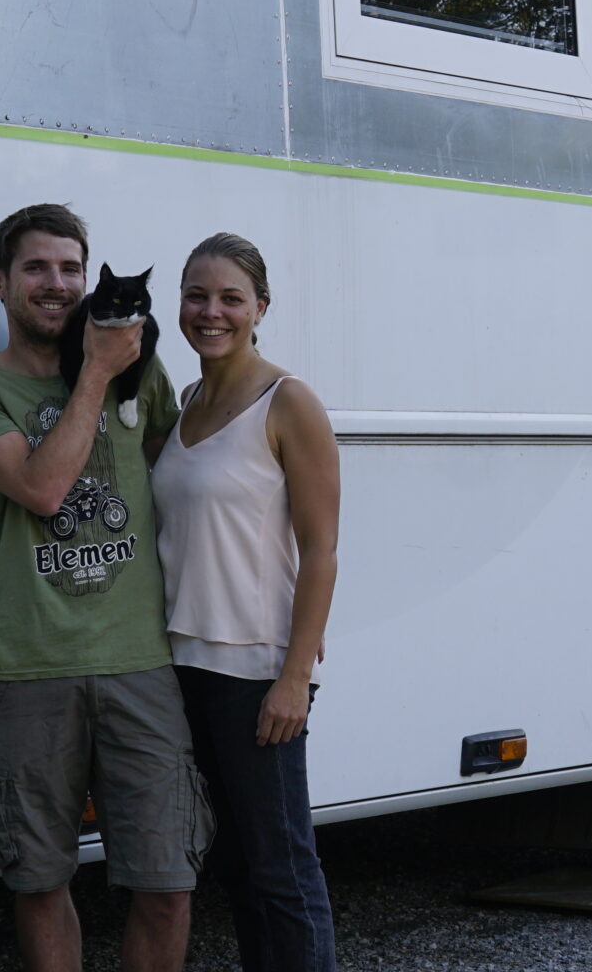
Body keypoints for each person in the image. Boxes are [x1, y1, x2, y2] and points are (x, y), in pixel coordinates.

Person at [0, 203, 208, 972]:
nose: (58, 284)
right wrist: (96, 374)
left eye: (71, 269)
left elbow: (179, 484)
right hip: (26, 672)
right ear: (0, 282)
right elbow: (43, 489)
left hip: (140, 663)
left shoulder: (141, 373)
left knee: (167, 884)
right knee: (42, 882)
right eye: (37, 269)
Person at [154, 232, 341, 972]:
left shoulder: (288, 400)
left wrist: (294, 676)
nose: (211, 311)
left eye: (231, 297)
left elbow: (322, 548)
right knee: (233, 864)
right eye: (196, 295)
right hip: (181, 665)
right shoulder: (190, 399)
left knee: (283, 869)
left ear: (260, 307)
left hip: (254, 672)